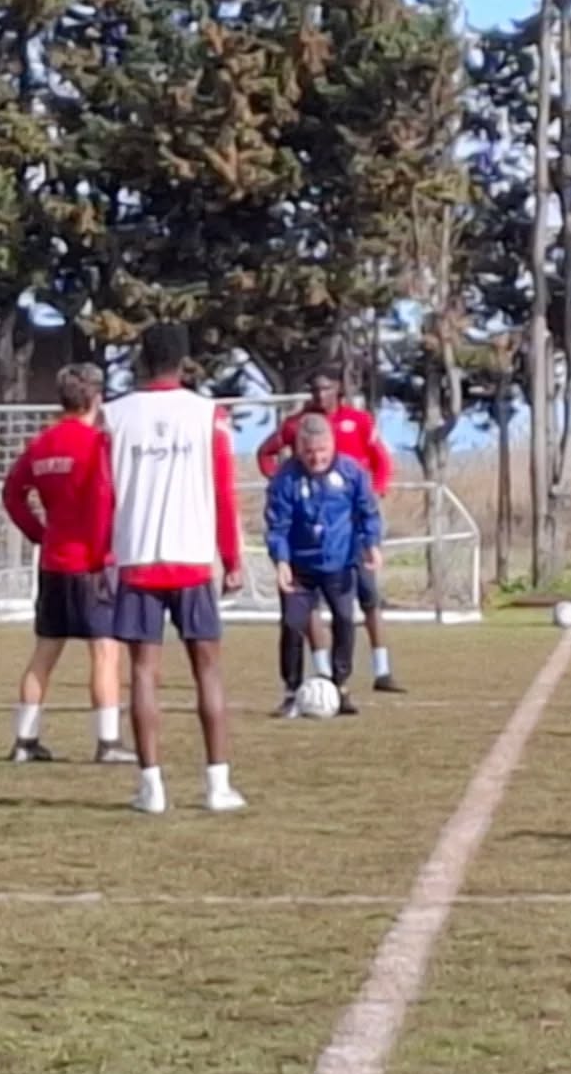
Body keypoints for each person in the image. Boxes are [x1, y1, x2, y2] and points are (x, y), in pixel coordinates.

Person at [103, 324, 245, 815]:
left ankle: (152, 787)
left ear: (142, 358)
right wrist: (232, 558)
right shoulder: (209, 415)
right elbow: (224, 492)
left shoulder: (113, 416)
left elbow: (103, 495)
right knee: (207, 670)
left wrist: (104, 557)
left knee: (144, 672)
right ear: (185, 361)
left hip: (137, 559)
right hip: (192, 559)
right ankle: (217, 785)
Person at [1, 362, 132, 765]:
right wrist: (105, 550)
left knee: (44, 652)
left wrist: (39, 533)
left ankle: (25, 740)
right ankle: (108, 742)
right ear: (97, 398)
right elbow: (103, 499)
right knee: (105, 652)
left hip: (54, 561)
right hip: (91, 562)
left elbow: (12, 494)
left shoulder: (42, 443)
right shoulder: (98, 444)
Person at [256, 364, 404, 691]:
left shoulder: (358, 423)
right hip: (304, 547)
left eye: (325, 387)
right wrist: (281, 483)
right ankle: (317, 678)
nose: (320, 394)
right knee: (300, 616)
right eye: (314, 388)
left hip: (348, 539)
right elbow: (265, 455)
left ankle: (378, 670)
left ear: (338, 388)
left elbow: (381, 462)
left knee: (363, 603)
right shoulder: (295, 426)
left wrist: (376, 496)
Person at [265, 413, 384, 718]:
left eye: (322, 451)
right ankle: (291, 691)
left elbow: (367, 512)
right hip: (299, 567)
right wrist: (281, 560)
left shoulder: (351, 472)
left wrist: (371, 544)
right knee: (292, 624)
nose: (316, 458)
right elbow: (278, 525)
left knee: (344, 620)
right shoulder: (285, 479)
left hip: (339, 563)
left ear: (332, 445)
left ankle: (340, 686)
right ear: (298, 449)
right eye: (309, 452)